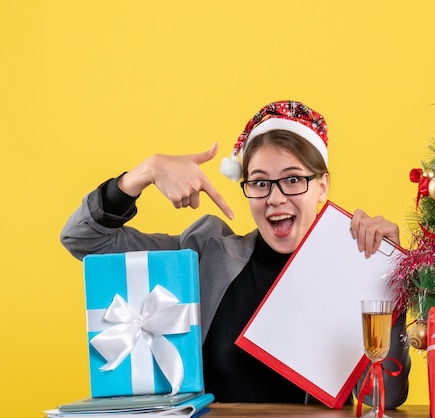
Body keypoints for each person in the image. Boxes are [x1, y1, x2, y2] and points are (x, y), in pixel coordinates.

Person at [61, 100, 410, 407]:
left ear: (322, 186)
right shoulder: (206, 251)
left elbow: (384, 399)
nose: (275, 198)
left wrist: (387, 277)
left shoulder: (349, 270)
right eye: (259, 182)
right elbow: (83, 240)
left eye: (292, 180)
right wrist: (145, 172)